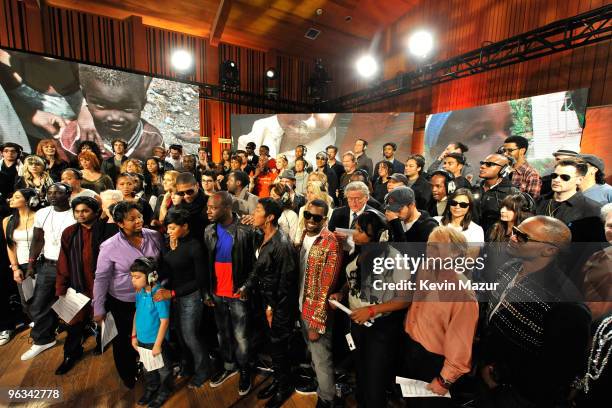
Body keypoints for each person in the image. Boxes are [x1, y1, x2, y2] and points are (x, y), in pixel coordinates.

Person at [478, 216, 591, 408]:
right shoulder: (508, 268)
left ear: (549, 250)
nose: (512, 237)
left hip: (523, 396)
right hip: (488, 374)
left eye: (522, 236)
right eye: (514, 231)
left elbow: (558, 369)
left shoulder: (565, 303)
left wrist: (503, 380)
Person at [329, 210, 409, 408]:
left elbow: (405, 299)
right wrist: (341, 293)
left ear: (378, 235)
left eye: (360, 231)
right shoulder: (361, 251)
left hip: (380, 328)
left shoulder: (394, 258)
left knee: (375, 380)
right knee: (362, 373)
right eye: (355, 229)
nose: (354, 234)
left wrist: (372, 310)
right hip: (358, 323)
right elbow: (353, 278)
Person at [403, 226, 479, 407]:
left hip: (434, 362)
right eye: (429, 245)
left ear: (455, 253)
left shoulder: (462, 293)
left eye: (437, 247)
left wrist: (445, 380)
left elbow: (461, 343)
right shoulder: (425, 268)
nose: (430, 251)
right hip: (411, 348)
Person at [93, 201, 163, 389]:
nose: (138, 221)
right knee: (124, 341)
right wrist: (98, 307)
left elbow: (162, 265)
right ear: (120, 223)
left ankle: (154, 373)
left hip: (150, 299)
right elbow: (101, 278)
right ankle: (128, 374)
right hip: (124, 301)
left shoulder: (154, 236)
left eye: (139, 216)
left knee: (149, 336)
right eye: (132, 219)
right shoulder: (109, 246)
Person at [245, 198, 297, 408]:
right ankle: (277, 381)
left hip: (279, 306)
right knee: (274, 347)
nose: (254, 213)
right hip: (267, 301)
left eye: (258, 210)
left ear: (270, 217)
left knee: (280, 348)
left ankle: (284, 388)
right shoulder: (262, 235)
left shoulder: (281, 244)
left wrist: (271, 307)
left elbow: (286, 282)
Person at [204, 191, 255, 395]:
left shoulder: (246, 229)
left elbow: (255, 264)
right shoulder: (208, 230)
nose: (208, 211)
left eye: (213, 208)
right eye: (208, 207)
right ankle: (228, 367)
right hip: (217, 291)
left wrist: (247, 287)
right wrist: (207, 291)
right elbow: (207, 264)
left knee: (241, 336)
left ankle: (245, 371)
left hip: (237, 292)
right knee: (222, 333)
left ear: (227, 208)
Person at [154, 209, 211, 388]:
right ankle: (187, 366)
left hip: (191, 297)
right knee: (180, 335)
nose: (168, 231)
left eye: (172, 228)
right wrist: (170, 249)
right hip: (176, 297)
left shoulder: (195, 246)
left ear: (185, 226)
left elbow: (200, 280)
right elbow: (168, 268)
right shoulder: (173, 243)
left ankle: (203, 371)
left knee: (190, 336)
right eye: (167, 228)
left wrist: (172, 294)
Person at [58, 65, 163, 161]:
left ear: (143, 103)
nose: (115, 117)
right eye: (102, 105)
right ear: (86, 97)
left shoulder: (153, 140)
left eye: (127, 108)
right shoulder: (71, 138)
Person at [295, 199, 342, 407]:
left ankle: (327, 398)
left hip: (315, 312)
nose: (311, 220)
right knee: (313, 354)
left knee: (322, 357)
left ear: (325, 219)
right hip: (300, 305)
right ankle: (321, 387)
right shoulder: (304, 236)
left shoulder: (330, 242)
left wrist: (316, 321)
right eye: (308, 215)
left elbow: (327, 285)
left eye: (316, 217)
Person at [22, 183, 76, 361]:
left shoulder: (75, 213)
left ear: (68, 194)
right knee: (39, 304)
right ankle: (43, 339)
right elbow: (38, 239)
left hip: (71, 265)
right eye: (50, 192)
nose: (52, 196)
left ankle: (76, 341)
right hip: (48, 265)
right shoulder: (42, 213)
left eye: (58, 193)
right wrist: (31, 263)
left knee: (73, 305)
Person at [55, 196, 107, 375]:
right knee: (74, 323)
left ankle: (102, 343)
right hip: (77, 284)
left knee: (102, 318)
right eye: (77, 211)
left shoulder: (106, 230)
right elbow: (63, 261)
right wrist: (61, 287)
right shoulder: (70, 232)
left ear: (96, 212)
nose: (81, 215)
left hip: (101, 285)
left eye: (85, 211)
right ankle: (71, 354)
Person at [130, 257, 173, 408]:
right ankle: (152, 388)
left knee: (164, 370)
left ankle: (164, 391)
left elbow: (164, 321)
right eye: (132, 277)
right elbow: (137, 312)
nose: (133, 280)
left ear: (150, 276)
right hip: (142, 340)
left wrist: (158, 344)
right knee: (148, 368)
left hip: (157, 342)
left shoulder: (158, 294)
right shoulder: (139, 292)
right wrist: (133, 335)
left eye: (137, 277)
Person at [535, 159, 603, 240]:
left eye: (565, 177)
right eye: (554, 175)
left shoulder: (593, 209)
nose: (556, 180)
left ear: (579, 180)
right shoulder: (538, 201)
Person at [2, 188, 38, 342]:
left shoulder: (38, 216)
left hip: (41, 262)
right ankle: (39, 324)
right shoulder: (7, 220)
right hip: (21, 264)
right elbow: (10, 246)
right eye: (12, 196)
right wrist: (15, 268)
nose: (12, 199)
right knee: (27, 300)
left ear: (28, 200)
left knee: (46, 297)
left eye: (17, 197)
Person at [472, 154, 520, 236]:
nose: (482, 166)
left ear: (504, 170)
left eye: (489, 164)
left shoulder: (512, 193)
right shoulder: (474, 189)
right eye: (482, 163)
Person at [171, 172, 209, 242]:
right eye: (181, 193)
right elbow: (171, 224)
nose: (186, 196)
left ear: (197, 186)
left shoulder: (209, 202)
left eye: (190, 191)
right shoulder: (177, 204)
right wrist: (177, 207)